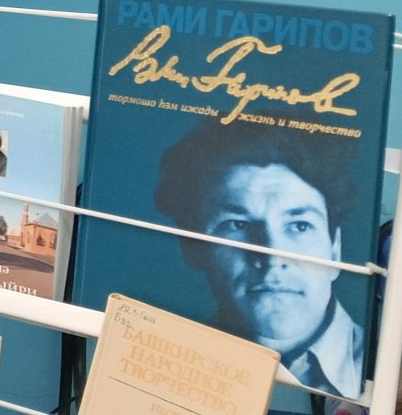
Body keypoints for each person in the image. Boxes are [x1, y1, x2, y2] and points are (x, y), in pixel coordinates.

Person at [153, 122, 364, 397]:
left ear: (335, 248)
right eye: (238, 225)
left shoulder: (387, 375)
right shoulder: (164, 370)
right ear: (192, 247)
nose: (273, 256)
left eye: (300, 226)